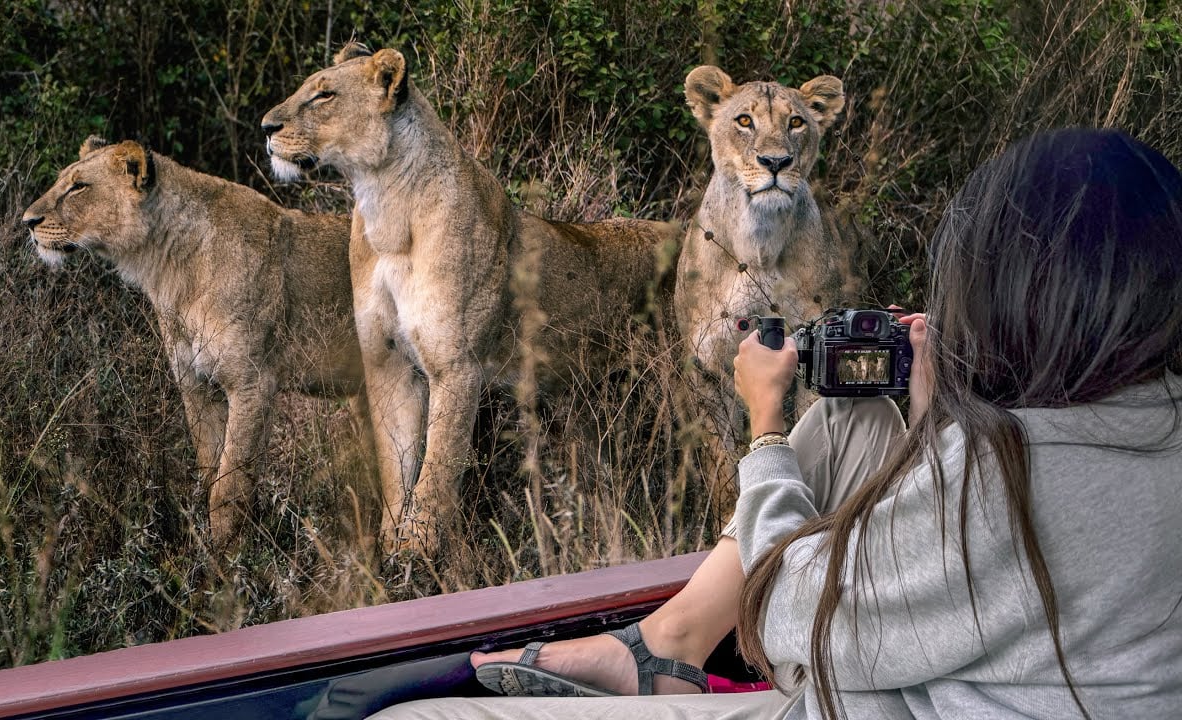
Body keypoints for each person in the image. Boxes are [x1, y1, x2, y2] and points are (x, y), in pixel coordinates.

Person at [367, 128, 1182, 720]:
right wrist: (937, 417)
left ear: (1006, 292)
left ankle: (664, 649)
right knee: (851, 420)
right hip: (949, 670)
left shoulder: (1004, 474)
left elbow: (788, 616)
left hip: (863, 685)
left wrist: (763, 426)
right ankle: (669, 642)